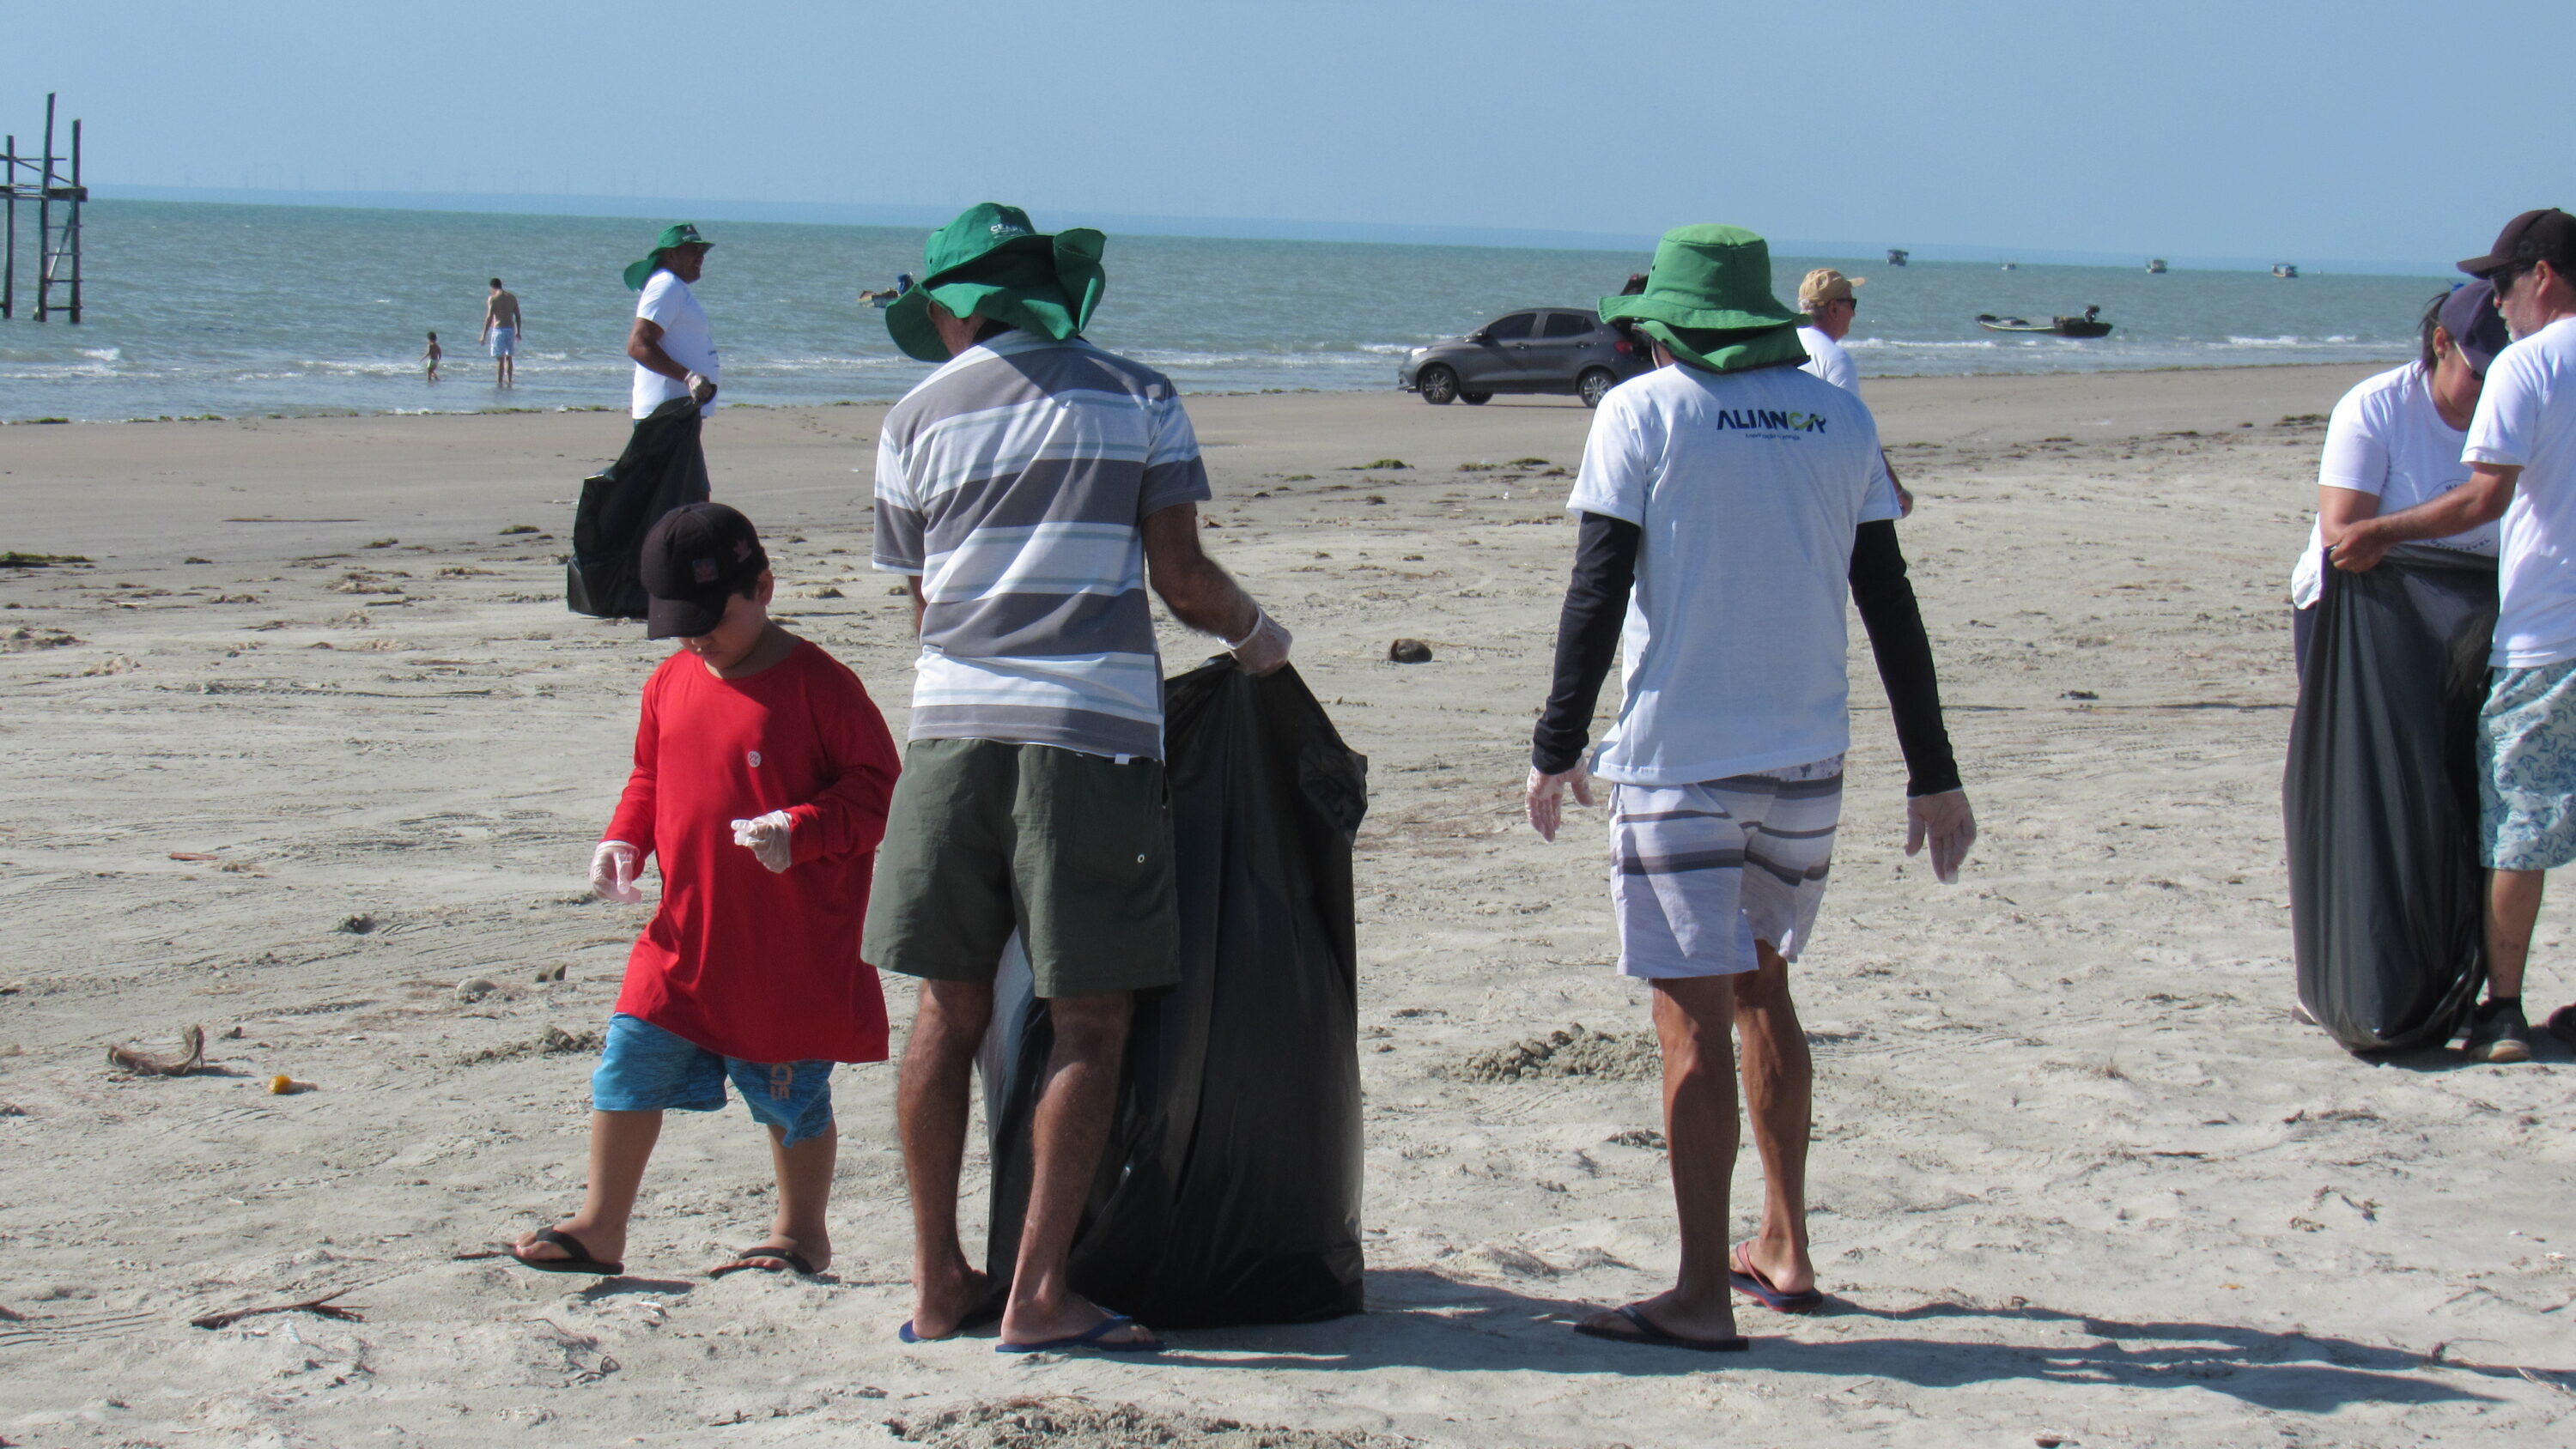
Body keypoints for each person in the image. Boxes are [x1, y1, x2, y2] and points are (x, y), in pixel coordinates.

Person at [1525, 225, 1976, 1352]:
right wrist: (1934, 773)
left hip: (1681, 757)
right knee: (1762, 986)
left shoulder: (1641, 411)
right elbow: (1890, 601)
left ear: (1670, 323)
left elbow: (1597, 588)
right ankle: (1784, 1244)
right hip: (1807, 760)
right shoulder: (1838, 414)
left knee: (1689, 1021)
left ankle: (1696, 1293)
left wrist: (1554, 744)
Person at [865, 202, 1291, 1355]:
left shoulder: (912, 417)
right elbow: (1184, 578)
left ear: (956, 306)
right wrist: (1261, 643)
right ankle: (1039, 1293)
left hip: (949, 734)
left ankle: (936, 1280)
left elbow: (924, 605)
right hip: (1089, 737)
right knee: (1089, 1021)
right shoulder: (1136, 394)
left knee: (945, 1013)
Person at [509, 501, 902, 1278]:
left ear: (763, 587)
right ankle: (601, 1226)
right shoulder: (670, 682)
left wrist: (801, 828)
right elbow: (651, 775)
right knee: (627, 1065)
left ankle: (800, 1234)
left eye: (708, 619)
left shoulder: (822, 687)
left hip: (785, 952)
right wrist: (623, 837)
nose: (694, 638)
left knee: (789, 1099)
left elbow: (879, 791)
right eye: (675, 622)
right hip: (683, 939)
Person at [2335, 209, 2576, 1063]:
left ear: (2541, 276)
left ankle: (2504, 1007)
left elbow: (2484, 500)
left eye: (2505, 283)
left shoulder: (2533, 365)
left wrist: (2384, 534)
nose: (2500, 303)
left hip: (2550, 633)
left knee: (2521, 821)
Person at [2284, 282, 2507, 673]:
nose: (2490, 391)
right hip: (2360, 602)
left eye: (2503, 378)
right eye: (2478, 374)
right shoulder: (2376, 407)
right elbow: (2341, 535)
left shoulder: (2521, 415)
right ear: (2441, 344)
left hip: (2471, 612)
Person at [1797, 268, 1912, 516]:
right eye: (1851, 303)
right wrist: (1896, 489)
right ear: (1834, 308)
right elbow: (1855, 435)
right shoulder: (1833, 357)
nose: (1855, 313)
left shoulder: (1786, 345)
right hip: (1827, 489)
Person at [624, 223, 720, 420]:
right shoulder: (665, 286)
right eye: (692, 250)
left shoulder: (674, 287)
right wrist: (688, 377)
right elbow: (638, 345)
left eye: (702, 251)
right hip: (665, 414)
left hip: (679, 413)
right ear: (670, 255)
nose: (700, 257)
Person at [481, 277, 522, 388]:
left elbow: (489, 318)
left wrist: (483, 335)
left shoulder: (493, 299)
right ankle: (509, 380)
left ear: (492, 287)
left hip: (499, 329)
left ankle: (499, 382)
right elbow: (518, 315)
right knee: (509, 357)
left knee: (500, 359)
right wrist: (518, 331)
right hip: (510, 329)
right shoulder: (512, 298)